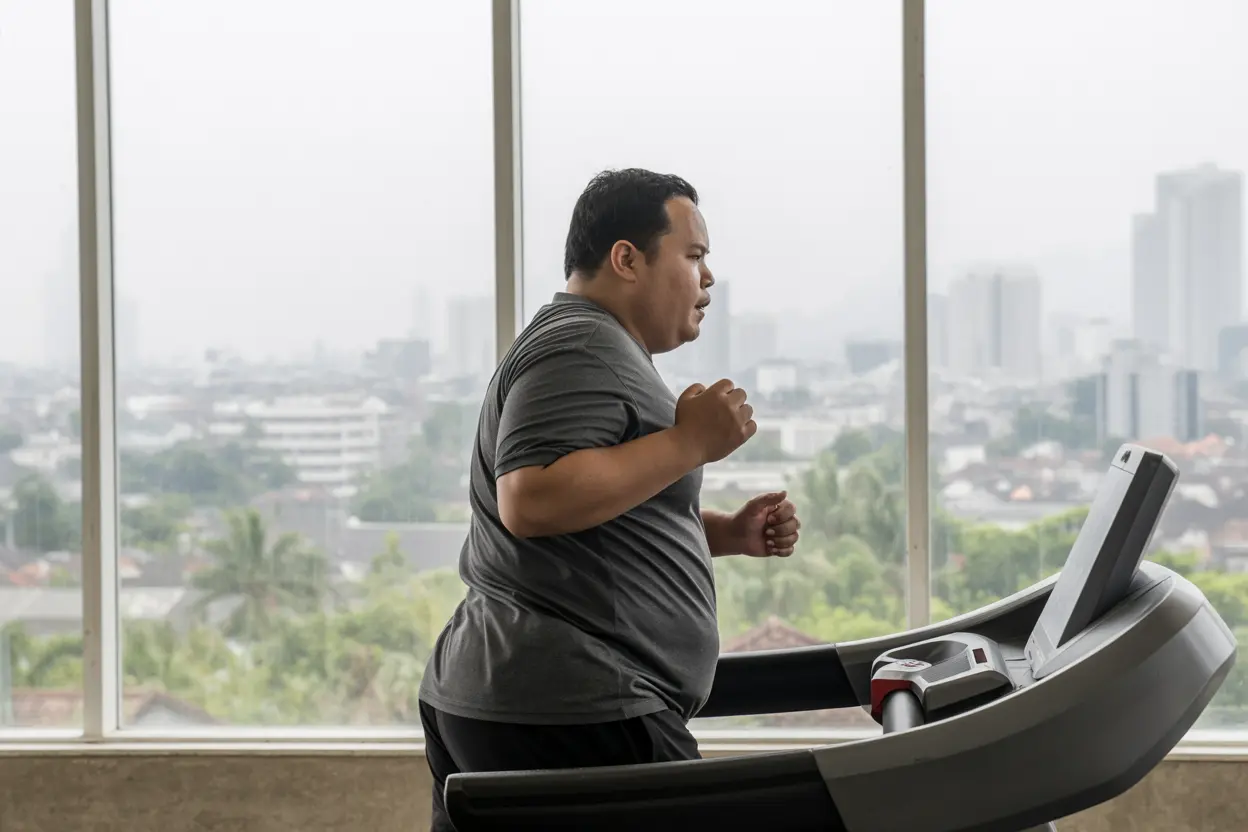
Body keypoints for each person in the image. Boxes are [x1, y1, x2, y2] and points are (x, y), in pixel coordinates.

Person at [417, 168, 802, 831]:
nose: (708, 280)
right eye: (694, 256)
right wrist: (690, 443)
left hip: (540, 697)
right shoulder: (578, 344)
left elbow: (594, 514)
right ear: (626, 258)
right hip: (578, 705)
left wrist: (719, 532)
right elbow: (532, 500)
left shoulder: (597, 347)